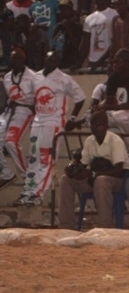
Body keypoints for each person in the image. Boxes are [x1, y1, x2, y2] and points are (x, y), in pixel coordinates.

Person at [19, 51, 85, 206]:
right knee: (33, 157)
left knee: (46, 158)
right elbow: (30, 99)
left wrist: (73, 118)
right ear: (44, 60)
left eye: (56, 60)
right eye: (50, 59)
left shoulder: (63, 79)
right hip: (37, 123)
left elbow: (80, 97)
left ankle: (38, 194)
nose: (53, 62)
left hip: (54, 123)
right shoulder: (36, 77)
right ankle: (28, 191)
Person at [58, 111, 129, 230]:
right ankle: (66, 225)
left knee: (101, 181)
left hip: (118, 180)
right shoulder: (90, 141)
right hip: (95, 178)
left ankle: (105, 226)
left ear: (106, 126)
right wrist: (73, 170)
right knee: (66, 179)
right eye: (94, 125)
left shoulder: (115, 141)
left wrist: (93, 174)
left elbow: (118, 170)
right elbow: (83, 163)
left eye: (100, 125)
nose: (97, 128)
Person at [0, 48, 36, 193]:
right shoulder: (7, 77)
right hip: (9, 110)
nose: (16, 61)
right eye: (13, 58)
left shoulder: (33, 76)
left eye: (19, 58)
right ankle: (6, 173)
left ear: (24, 59)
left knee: (11, 142)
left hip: (25, 109)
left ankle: (29, 178)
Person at [100, 48, 129, 141]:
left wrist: (107, 107)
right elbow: (108, 100)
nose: (114, 65)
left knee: (120, 117)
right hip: (117, 112)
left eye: (118, 62)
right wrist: (99, 107)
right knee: (92, 116)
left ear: (127, 64)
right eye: (114, 62)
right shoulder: (113, 78)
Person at [80, 0, 118, 69]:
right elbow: (85, 43)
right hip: (92, 61)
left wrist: (103, 60)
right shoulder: (89, 18)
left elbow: (116, 41)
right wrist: (79, 62)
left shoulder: (114, 14)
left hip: (108, 60)